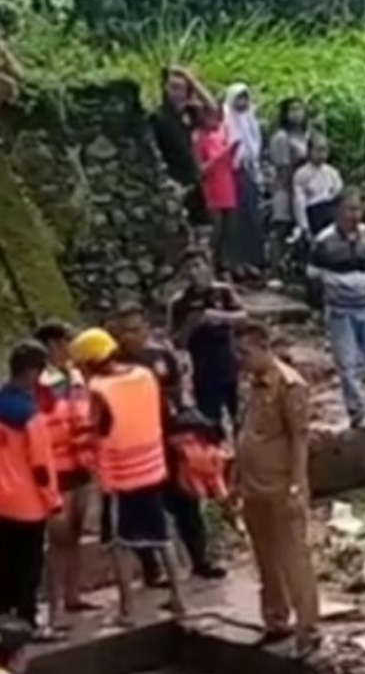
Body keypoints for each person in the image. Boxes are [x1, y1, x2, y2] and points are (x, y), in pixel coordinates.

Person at [70, 328, 185, 625]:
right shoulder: (145, 375)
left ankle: (127, 611)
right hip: (153, 468)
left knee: (120, 543)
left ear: (91, 362)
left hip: (121, 478)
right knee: (162, 536)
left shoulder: (98, 389)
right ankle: (179, 599)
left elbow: (95, 427)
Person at [110, 305, 227, 583]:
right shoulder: (114, 365)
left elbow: (179, 395)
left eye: (136, 329)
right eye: (125, 330)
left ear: (146, 329)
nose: (131, 336)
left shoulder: (161, 357)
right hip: (135, 446)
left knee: (186, 501)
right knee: (144, 509)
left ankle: (200, 560)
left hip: (169, 441)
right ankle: (152, 569)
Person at [235, 320, 320, 656]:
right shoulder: (252, 384)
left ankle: (308, 630)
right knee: (265, 558)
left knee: (293, 559)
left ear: (262, 347)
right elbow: (247, 434)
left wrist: (298, 485)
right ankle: (275, 620)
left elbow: (300, 439)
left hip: (281, 485)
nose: (240, 359)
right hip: (254, 487)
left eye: (245, 353)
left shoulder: (288, 386)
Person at [308, 190, 365, 428]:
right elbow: (312, 274)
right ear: (338, 212)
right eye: (350, 209)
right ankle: (357, 413)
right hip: (340, 311)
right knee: (348, 365)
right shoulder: (324, 241)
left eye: (358, 209)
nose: (355, 215)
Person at [31, 322, 95, 632]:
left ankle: (74, 595)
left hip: (81, 465)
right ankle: (55, 610)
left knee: (77, 532)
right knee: (59, 539)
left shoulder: (75, 376)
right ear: (53, 346)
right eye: (67, 343)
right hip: (57, 471)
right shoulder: (39, 385)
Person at [0, 342, 60, 633]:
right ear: (33, 373)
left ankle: (4, 614)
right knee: (29, 566)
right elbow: (41, 466)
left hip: (2, 502)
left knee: (5, 561)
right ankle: (26, 620)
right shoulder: (29, 414)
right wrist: (53, 501)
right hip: (28, 505)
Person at [169, 249, 247, 429]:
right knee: (210, 422)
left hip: (229, 362)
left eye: (197, 265)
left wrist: (218, 317)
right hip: (202, 367)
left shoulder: (223, 291)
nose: (193, 272)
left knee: (239, 417)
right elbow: (176, 342)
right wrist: (191, 325)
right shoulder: (180, 302)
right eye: (188, 268)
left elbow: (243, 316)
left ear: (207, 267)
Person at [150, 67, 215, 233]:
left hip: (193, 180)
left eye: (181, 88)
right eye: (173, 87)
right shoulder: (158, 117)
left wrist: (192, 79)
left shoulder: (189, 114)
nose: (177, 93)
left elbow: (213, 109)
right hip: (174, 182)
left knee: (203, 231)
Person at [222, 83, 267, 277]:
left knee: (253, 217)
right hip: (232, 172)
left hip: (250, 171)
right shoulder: (226, 119)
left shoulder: (250, 119)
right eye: (239, 98)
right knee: (237, 220)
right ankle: (235, 262)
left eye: (245, 98)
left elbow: (254, 145)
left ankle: (253, 261)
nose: (243, 102)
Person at [191, 102, 241, 277]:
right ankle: (209, 265)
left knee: (231, 230)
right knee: (216, 230)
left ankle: (225, 265)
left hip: (228, 186)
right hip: (212, 188)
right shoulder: (198, 137)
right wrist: (221, 156)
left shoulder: (222, 133)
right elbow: (201, 169)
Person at [268, 98, 313, 274]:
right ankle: (274, 269)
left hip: (304, 188)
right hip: (285, 187)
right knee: (281, 227)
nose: (297, 114)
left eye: (300, 109)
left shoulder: (307, 135)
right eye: (292, 110)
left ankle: (295, 268)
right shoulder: (281, 137)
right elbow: (282, 167)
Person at [292, 133, 344, 242]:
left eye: (325, 150)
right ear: (310, 151)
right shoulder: (301, 175)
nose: (322, 154)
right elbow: (299, 204)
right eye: (319, 150)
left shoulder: (333, 173)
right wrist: (304, 228)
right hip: (314, 215)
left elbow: (338, 193)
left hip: (332, 212)